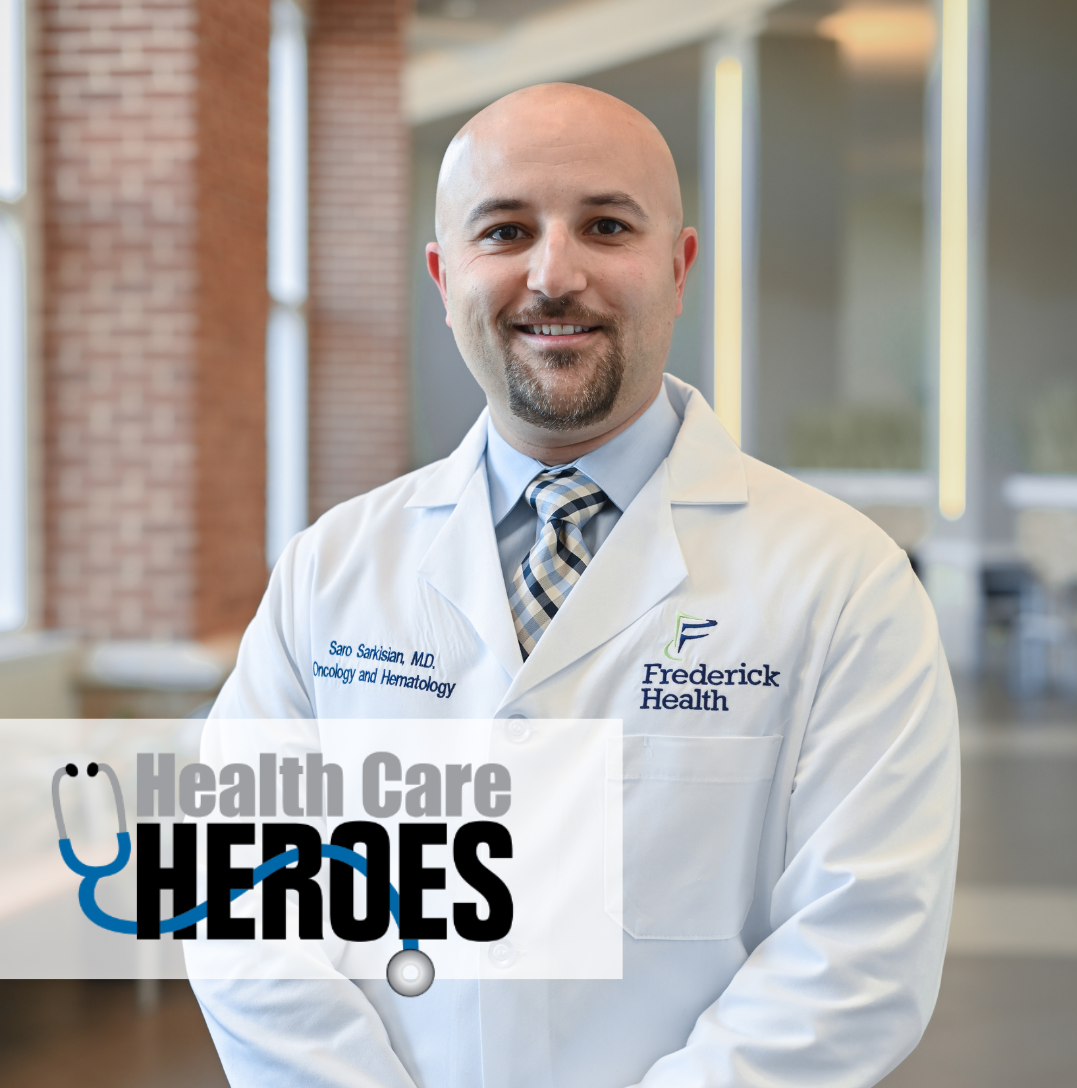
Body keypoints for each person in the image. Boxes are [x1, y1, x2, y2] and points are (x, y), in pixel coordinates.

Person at [188, 83, 959, 1088]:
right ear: (443, 274)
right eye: (504, 230)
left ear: (677, 268)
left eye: (605, 225)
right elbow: (243, 897)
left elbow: (858, 949)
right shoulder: (332, 570)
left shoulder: (842, 583)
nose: (553, 275)